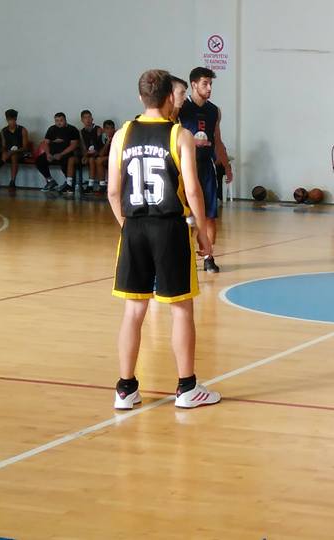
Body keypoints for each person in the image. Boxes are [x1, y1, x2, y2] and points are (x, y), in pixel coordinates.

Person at [108, 69, 219, 410]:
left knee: (133, 311)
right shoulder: (179, 135)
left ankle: (125, 389)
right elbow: (194, 191)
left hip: (134, 227)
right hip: (169, 228)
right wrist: (203, 233)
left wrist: (127, 226)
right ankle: (187, 388)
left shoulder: (122, 134)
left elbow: (112, 191)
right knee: (181, 309)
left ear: (141, 97)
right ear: (171, 97)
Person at [178, 67, 233, 272]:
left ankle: (209, 257)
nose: (209, 88)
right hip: (185, 167)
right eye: (205, 84)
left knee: (209, 215)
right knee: (185, 216)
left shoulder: (214, 111)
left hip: (207, 167)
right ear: (193, 84)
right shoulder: (181, 107)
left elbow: (217, 140)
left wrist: (226, 165)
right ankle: (184, 257)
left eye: (211, 84)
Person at [36, 112, 80, 193]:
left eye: (61, 120)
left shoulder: (72, 129)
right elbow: (45, 143)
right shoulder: (51, 129)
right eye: (57, 121)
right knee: (39, 160)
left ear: (65, 120)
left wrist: (61, 154)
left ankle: (69, 184)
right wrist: (48, 154)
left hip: (66, 153)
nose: (59, 122)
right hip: (52, 153)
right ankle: (50, 181)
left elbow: (74, 145)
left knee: (66, 161)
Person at [0, 109, 30, 190]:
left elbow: (25, 147)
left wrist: (12, 152)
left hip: (20, 152)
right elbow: (3, 145)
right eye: (9, 120)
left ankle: (12, 181)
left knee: (14, 156)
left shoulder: (22, 130)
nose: (11, 122)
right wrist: (4, 152)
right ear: (6, 120)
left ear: (15, 119)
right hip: (8, 152)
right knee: (3, 155)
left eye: (12, 119)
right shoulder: (3, 131)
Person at [79, 110, 105, 193]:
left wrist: (96, 152)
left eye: (89, 117)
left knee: (94, 160)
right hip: (89, 154)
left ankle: (95, 184)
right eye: (85, 118)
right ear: (82, 120)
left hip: (99, 153)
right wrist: (85, 155)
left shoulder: (98, 129)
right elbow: (83, 147)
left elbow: (102, 145)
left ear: (92, 119)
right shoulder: (81, 132)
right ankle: (90, 185)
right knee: (90, 159)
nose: (87, 119)